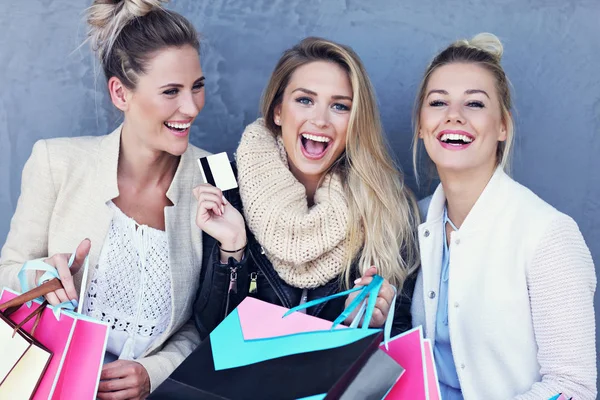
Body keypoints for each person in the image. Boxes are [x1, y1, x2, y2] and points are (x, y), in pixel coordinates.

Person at [0, 0, 210, 397]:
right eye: (171, 91)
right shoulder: (56, 162)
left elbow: (207, 320)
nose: (191, 107)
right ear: (120, 93)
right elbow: (6, 273)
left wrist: (155, 371)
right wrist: (40, 274)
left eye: (197, 86)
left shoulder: (214, 180)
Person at [193, 37, 420, 339]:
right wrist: (232, 249)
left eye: (340, 106)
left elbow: (403, 340)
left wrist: (365, 325)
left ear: (355, 121)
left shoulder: (387, 209)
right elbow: (208, 335)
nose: (320, 119)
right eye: (304, 100)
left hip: (331, 386)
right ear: (277, 111)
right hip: (237, 386)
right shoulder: (228, 192)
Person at [410, 32, 597, 399]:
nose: (454, 115)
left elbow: (573, 388)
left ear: (502, 127)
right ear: (420, 124)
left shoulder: (549, 235)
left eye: (475, 104)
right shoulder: (412, 220)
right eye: (438, 102)